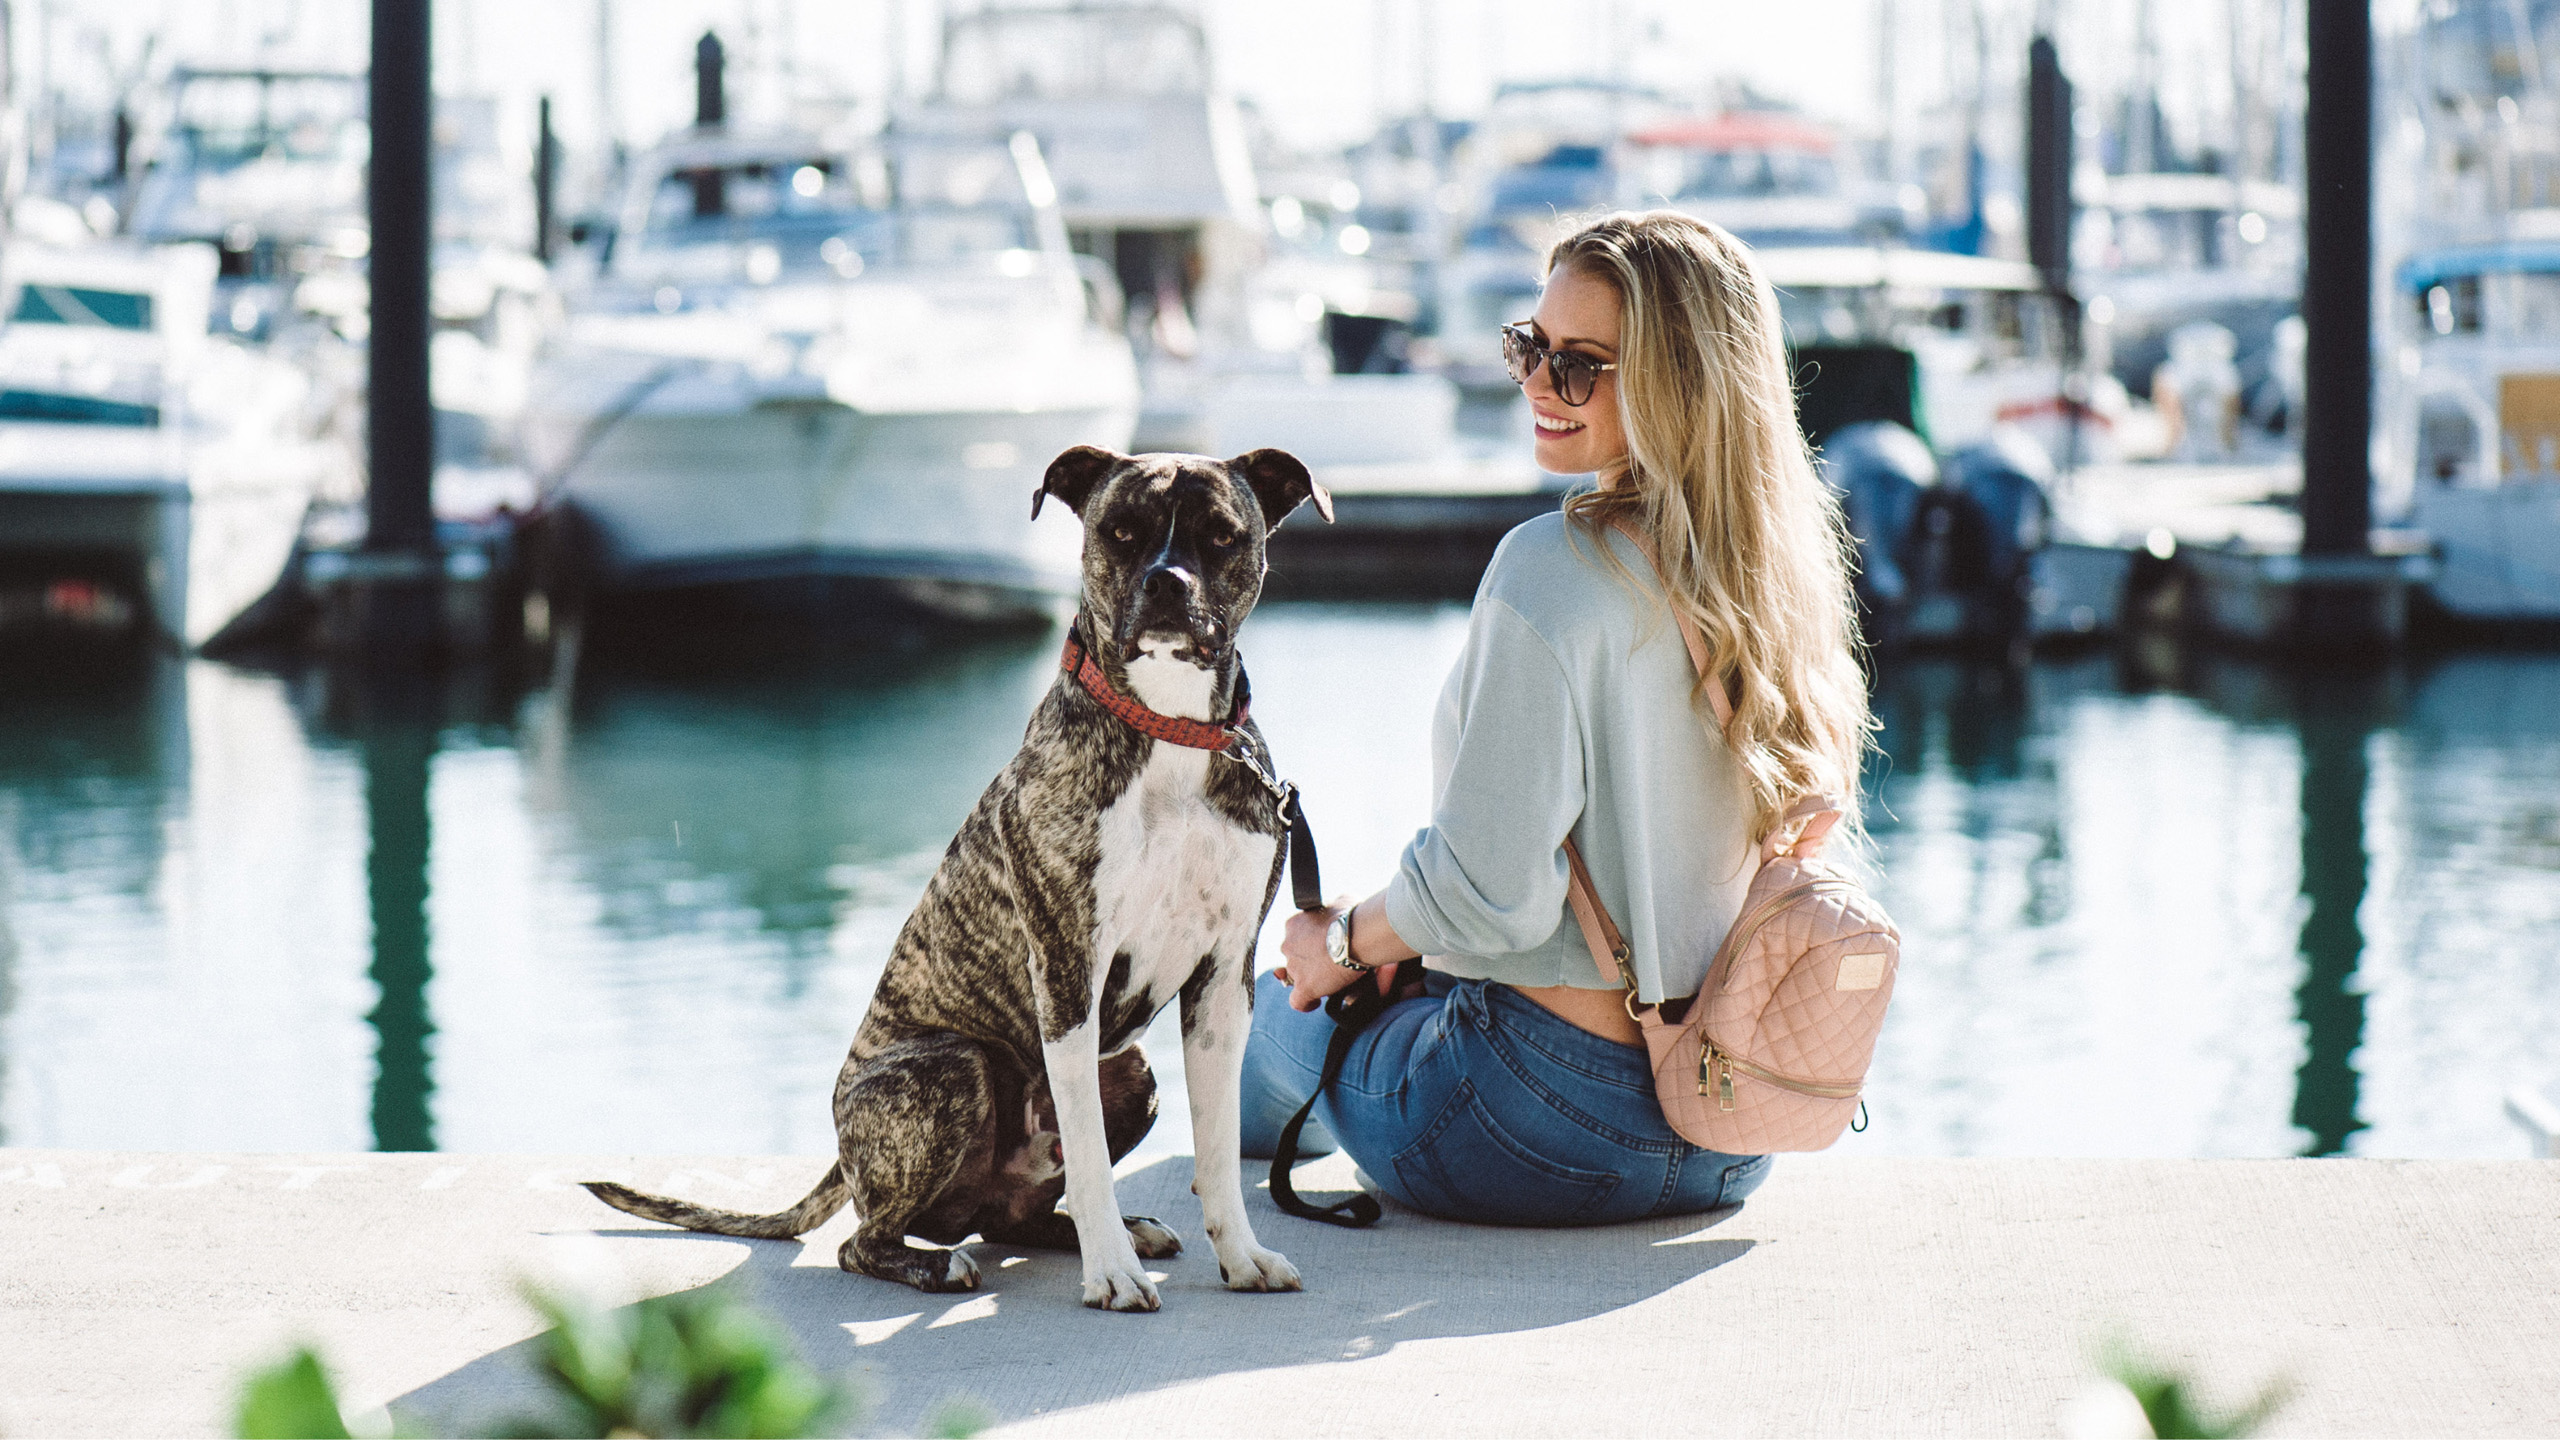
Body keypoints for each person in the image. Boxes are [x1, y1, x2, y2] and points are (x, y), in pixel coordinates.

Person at [1235, 211, 1874, 1226]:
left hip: (1529, 1122)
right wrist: (1406, 934)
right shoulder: (1780, 582)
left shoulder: (1548, 568)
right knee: (1390, 977)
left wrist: (1346, 944)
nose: (1536, 383)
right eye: (1528, 347)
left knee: (1272, 1014)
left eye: (1579, 364)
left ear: (1677, 382)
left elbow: (1495, 899)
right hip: (1726, 1127)